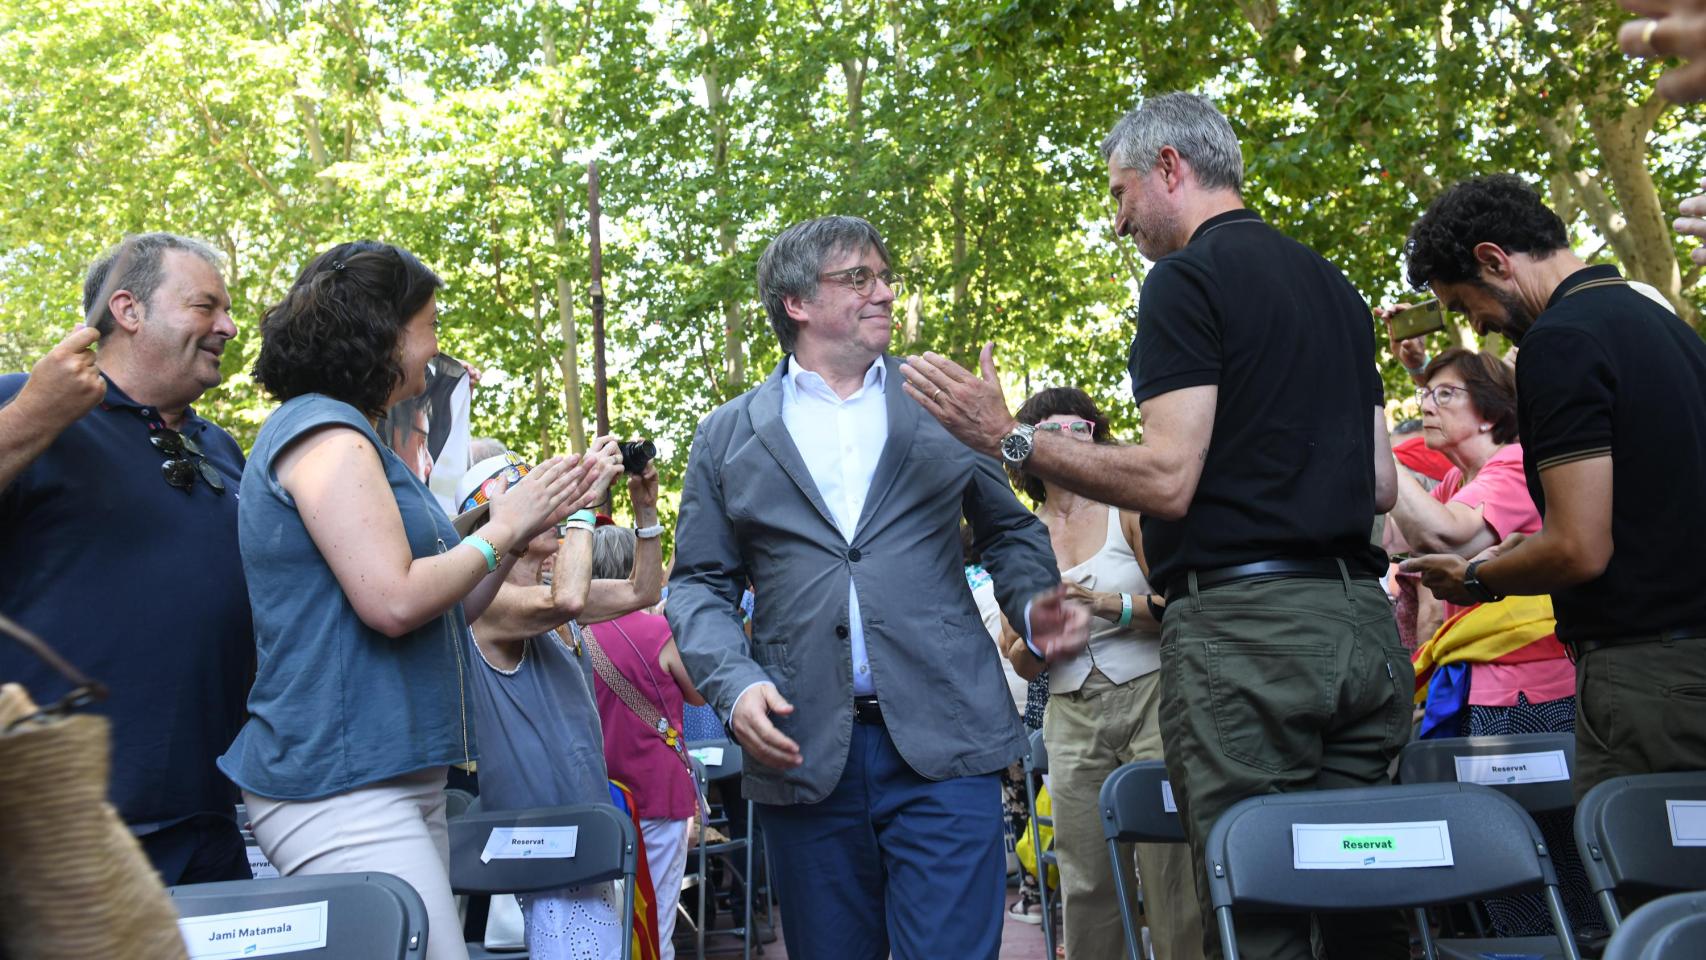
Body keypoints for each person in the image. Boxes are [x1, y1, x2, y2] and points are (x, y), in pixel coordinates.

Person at [902, 92, 1409, 960]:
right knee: (1362, 893)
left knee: (1260, 902)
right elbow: (1381, 482)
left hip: (1251, 642)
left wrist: (1008, 437)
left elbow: (1169, 479)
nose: (1116, 220)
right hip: (1359, 628)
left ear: (1169, 166)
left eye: (1119, 192)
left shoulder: (1186, 280)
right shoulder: (1336, 286)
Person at [667, 214, 1085, 960]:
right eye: (860, 277)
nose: (886, 291)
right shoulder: (727, 435)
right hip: (804, 750)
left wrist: (1034, 602)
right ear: (797, 303)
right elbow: (698, 585)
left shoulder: (945, 406)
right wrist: (732, 685)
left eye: (886, 276)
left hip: (945, 738)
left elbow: (1010, 531)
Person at [220, 240, 600, 960]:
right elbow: (392, 601)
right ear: (380, 330)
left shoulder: (351, 434)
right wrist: (506, 524)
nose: (434, 351)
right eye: (428, 326)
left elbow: (443, 606)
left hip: (388, 782)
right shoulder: (325, 434)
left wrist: (513, 539)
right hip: (340, 787)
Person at [1399, 174, 1706, 802]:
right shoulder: (1665, 325)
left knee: (1659, 892)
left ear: (1493, 261)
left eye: (1464, 305)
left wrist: (1476, 580)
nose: (1479, 326)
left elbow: (1579, 548)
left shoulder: (1560, 341)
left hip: (1649, 678)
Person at [0, 232, 255, 886]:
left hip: (210, 816)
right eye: (206, 306)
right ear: (128, 309)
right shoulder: (26, 403)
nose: (228, 326)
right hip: (65, 825)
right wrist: (32, 415)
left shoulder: (221, 447)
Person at [1003, 387, 1204, 960]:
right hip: (1070, 712)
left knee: (1169, 869)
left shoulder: (1130, 512)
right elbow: (1015, 653)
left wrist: (1104, 605)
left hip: (1152, 698)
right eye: (1053, 431)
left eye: (1082, 429)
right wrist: (1041, 641)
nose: (1069, 441)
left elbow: (1182, 608)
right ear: (1029, 448)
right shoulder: (1023, 534)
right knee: (1085, 873)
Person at [465, 447, 657, 960]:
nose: (549, 506)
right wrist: (583, 507)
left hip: (579, 834)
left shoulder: (553, 597)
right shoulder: (491, 609)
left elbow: (644, 589)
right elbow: (567, 599)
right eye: (536, 498)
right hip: (541, 844)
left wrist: (645, 510)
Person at [584, 523, 697, 960]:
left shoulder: (575, 633)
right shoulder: (658, 633)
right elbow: (698, 693)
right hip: (661, 791)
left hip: (603, 796)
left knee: (609, 924)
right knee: (657, 921)